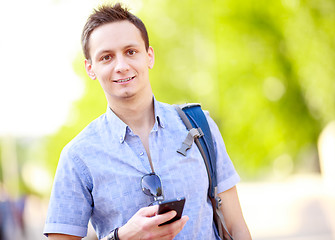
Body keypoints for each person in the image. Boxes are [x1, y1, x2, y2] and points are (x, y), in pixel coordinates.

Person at [44, 3, 252, 240]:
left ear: (149, 56)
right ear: (90, 68)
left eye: (131, 52)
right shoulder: (77, 157)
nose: (121, 66)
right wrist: (121, 237)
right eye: (106, 57)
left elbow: (237, 227)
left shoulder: (199, 126)